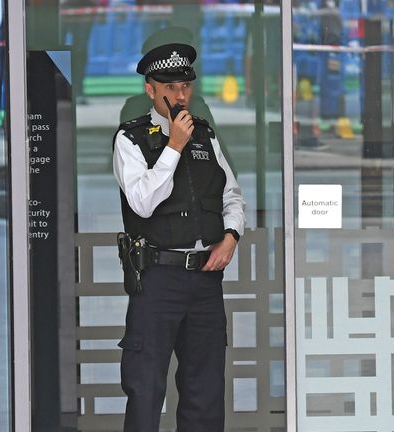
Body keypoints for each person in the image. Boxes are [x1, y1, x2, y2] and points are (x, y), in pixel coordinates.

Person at [112, 42, 245, 432]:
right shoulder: (131, 139)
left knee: (204, 389)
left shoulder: (205, 135)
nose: (181, 94)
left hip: (205, 277)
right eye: (170, 87)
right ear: (150, 90)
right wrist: (172, 146)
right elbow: (142, 203)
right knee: (145, 388)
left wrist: (231, 236)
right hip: (157, 279)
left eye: (186, 85)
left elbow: (231, 195)